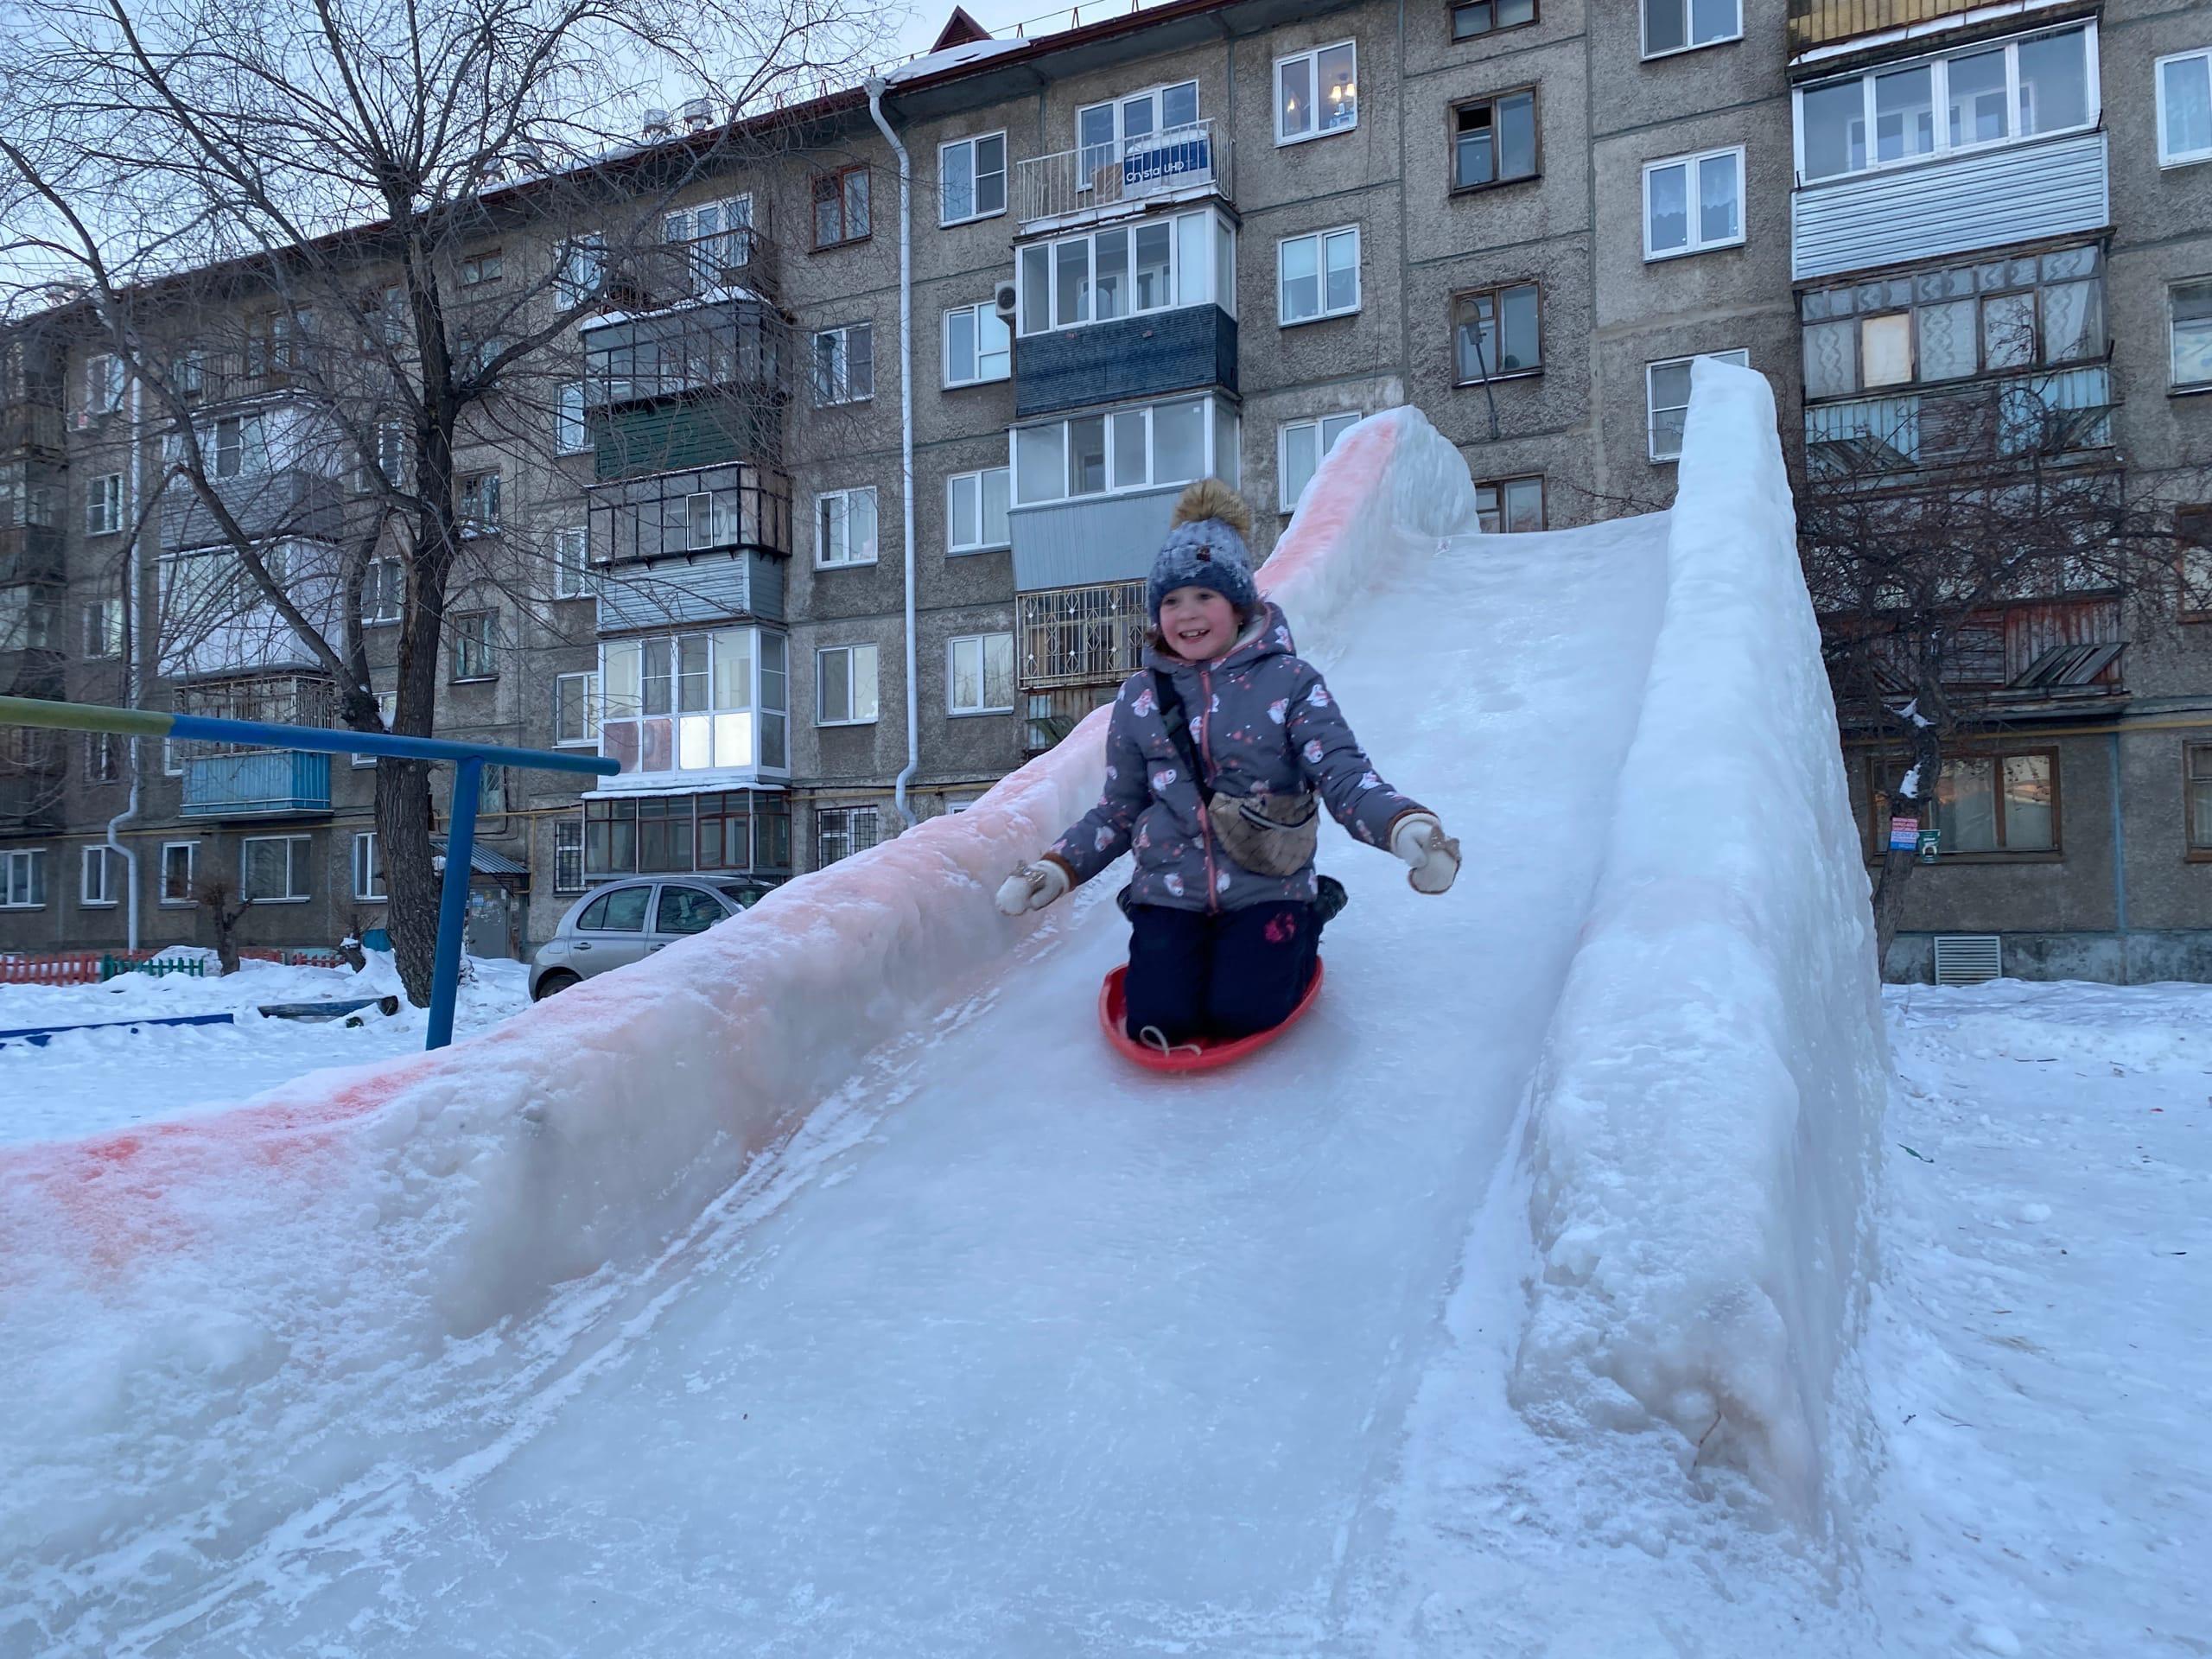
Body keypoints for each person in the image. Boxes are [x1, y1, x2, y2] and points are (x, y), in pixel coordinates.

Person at [995, 477, 1460, 1050]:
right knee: (1156, 1025)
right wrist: (1056, 868)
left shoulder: (1290, 684)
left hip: (1267, 881)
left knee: (1245, 1013)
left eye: (1204, 596)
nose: (1186, 614)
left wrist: (1404, 827)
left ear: (1239, 606)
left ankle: (1313, 910)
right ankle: (1166, 932)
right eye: (1171, 600)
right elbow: (1118, 810)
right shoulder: (1141, 698)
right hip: (1171, 885)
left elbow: (1343, 775)